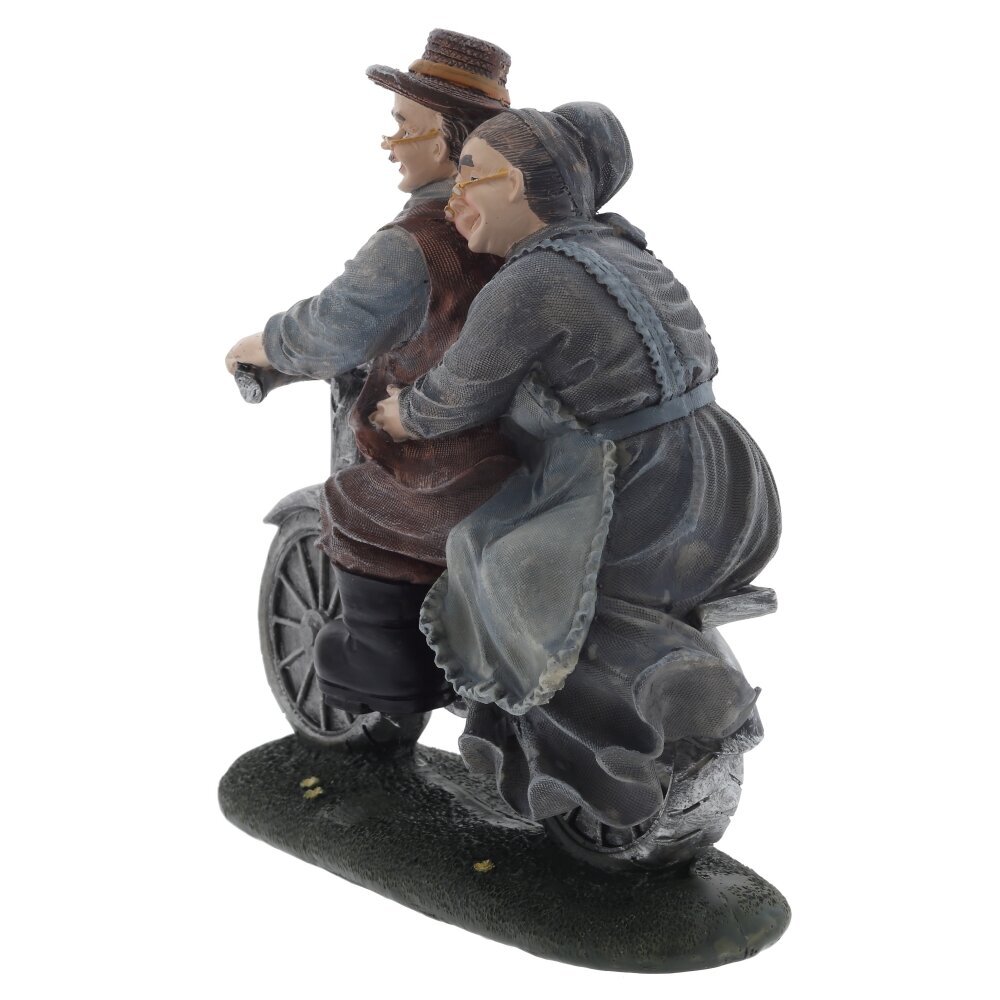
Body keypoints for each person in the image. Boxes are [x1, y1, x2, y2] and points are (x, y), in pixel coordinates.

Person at [373, 104, 781, 839]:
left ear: (520, 186)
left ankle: (636, 712)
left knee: (489, 559)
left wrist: (403, 414)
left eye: (471, 176)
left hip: (642, 491)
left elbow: (458, 393)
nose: (455, 197)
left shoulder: (528, 282)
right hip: (730, 480)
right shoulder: (624, 247)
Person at [225, 31, 523, 716]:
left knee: (356, 501)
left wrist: (261, 346)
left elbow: (333, 327)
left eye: (401, 126)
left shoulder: (420, 239)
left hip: (446, 455)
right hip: (528, 447)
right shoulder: (524, 218)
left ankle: (393, 677)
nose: (389, 143)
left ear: (445, 142)